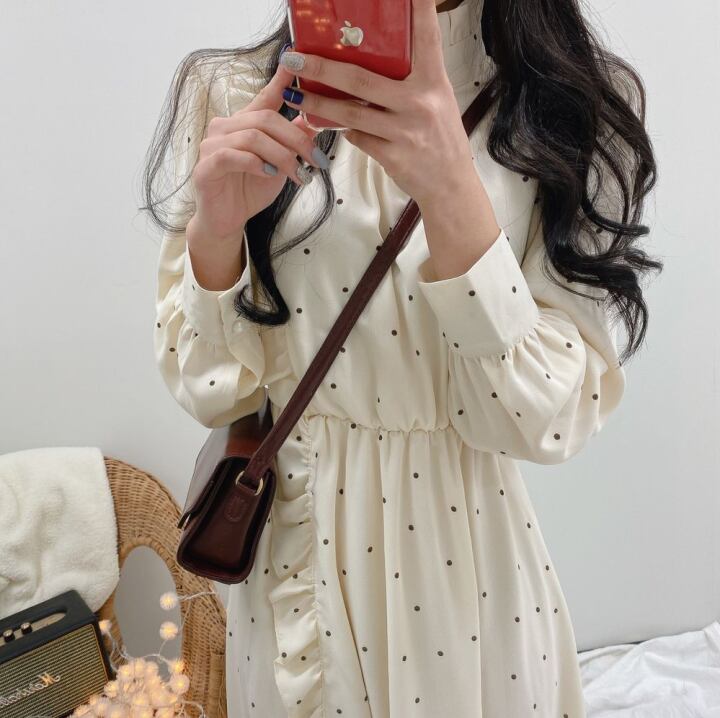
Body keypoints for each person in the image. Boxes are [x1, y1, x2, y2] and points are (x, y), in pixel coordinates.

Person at [147, 0, 662, 714]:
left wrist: (451, 186)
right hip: (292, 559)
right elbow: (209, 390)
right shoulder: (233, 90)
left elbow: (545, 418)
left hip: (464, 574)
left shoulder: (574, 104)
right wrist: (217, 232)